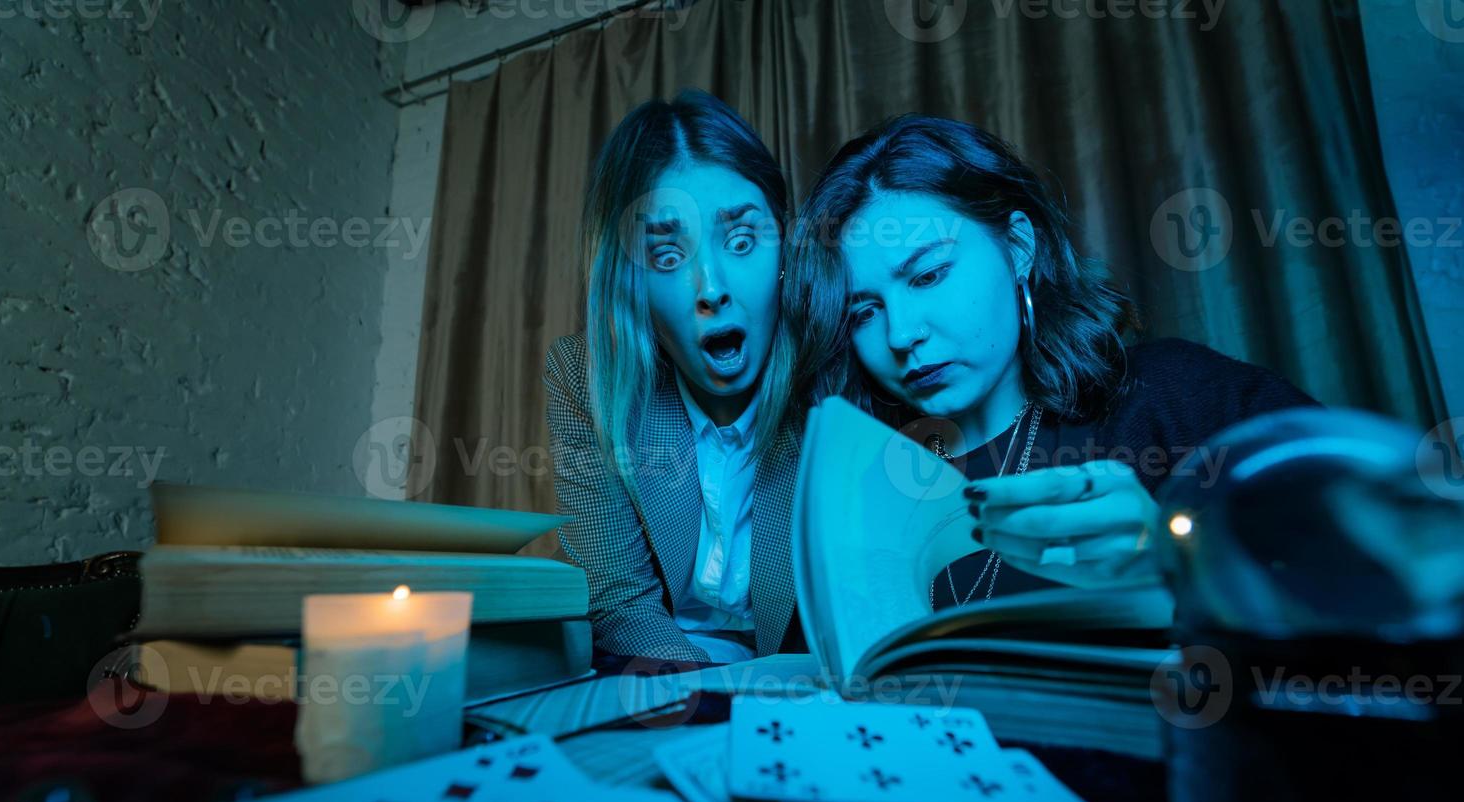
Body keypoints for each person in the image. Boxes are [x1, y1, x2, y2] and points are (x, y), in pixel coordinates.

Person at [785, 114, 1316, 608]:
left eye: (928, 276)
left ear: (1018, 246)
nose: (901, 333)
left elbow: (1373, 558)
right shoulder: (860, 488)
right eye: (864, 312)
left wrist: (1179, 565)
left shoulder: (1175, 399)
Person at [545, 90, 803, 663]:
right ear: (631, 282)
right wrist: (702, 708)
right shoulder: (581, 378)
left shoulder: (838, 370)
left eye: (740, 241)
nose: (710, 288)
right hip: (663, 670)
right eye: (666, 256)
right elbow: (619, 601)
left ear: (785, 243)